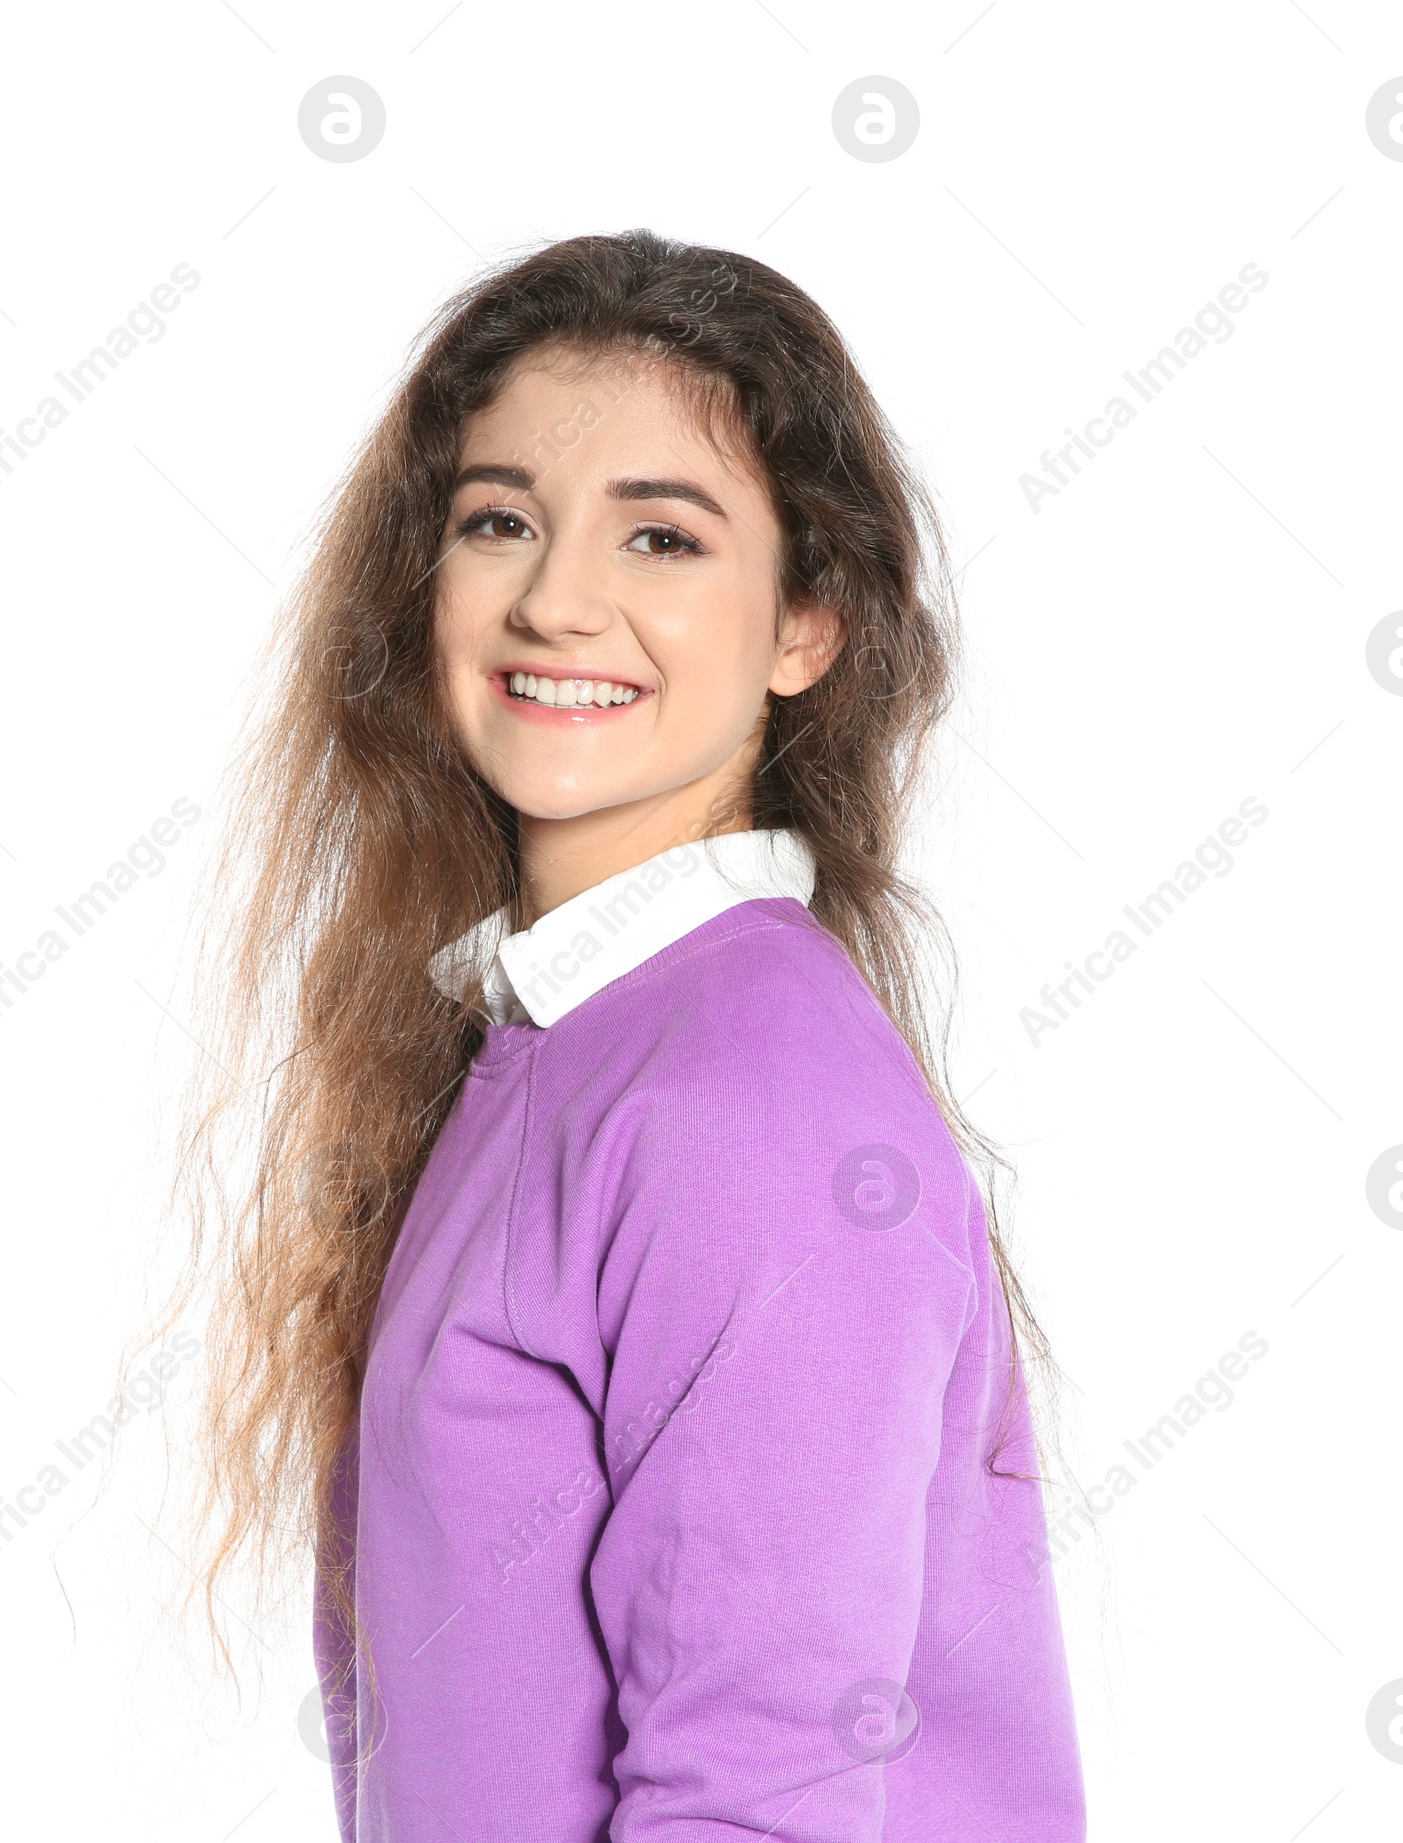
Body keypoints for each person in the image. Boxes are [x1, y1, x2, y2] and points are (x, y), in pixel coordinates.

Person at [185, 229, 1084, 1840]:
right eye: (500, 520)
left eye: (661, 537)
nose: (557, 599)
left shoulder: (744, 1092)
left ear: (806, 625)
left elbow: (762, 1799)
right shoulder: (555, 1043)